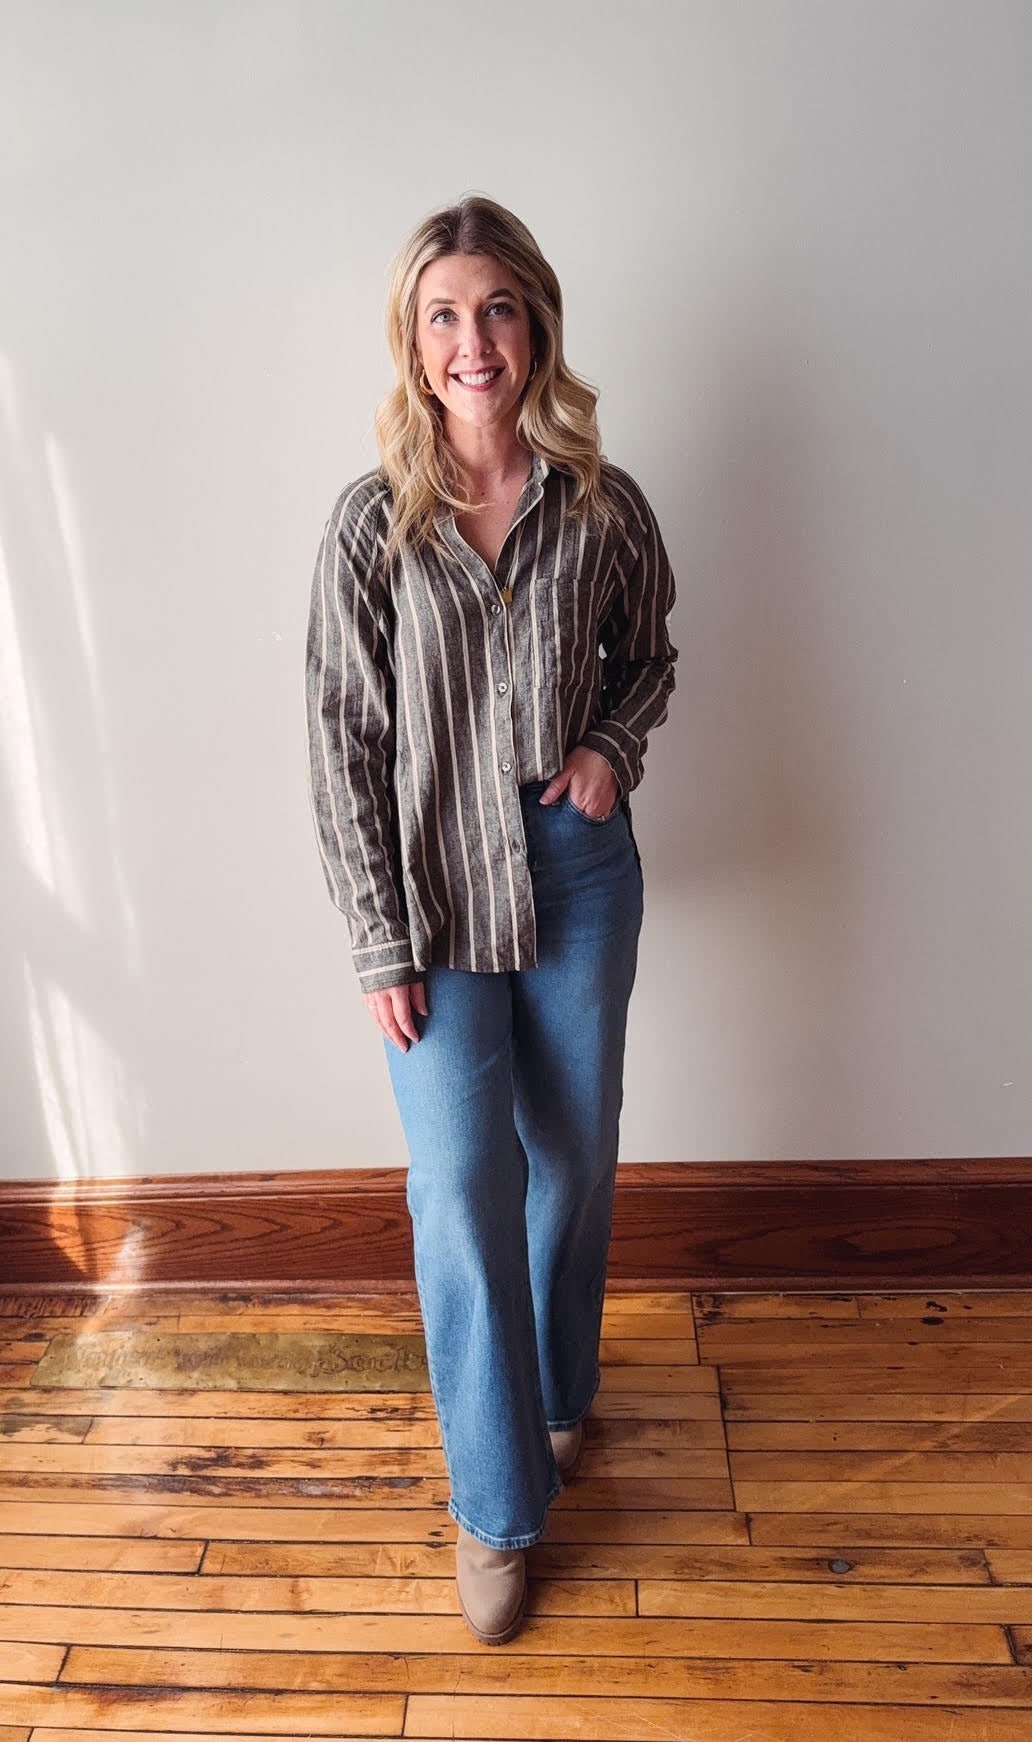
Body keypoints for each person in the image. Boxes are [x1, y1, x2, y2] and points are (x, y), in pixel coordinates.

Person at [306, 194, 677, 1645]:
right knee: (461, 1185)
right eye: (447, 314)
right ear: (414, 338)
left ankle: (554, 1389)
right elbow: (341, 742)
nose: (476, 341)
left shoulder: (602, 501)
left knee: (574, 1161)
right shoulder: (369, 526)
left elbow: (649, 654)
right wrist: (377, 940)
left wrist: (608, 751)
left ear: (538, 327)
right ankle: (497, 1502)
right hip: (432, 897)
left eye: (500, 310)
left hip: (578, 874)